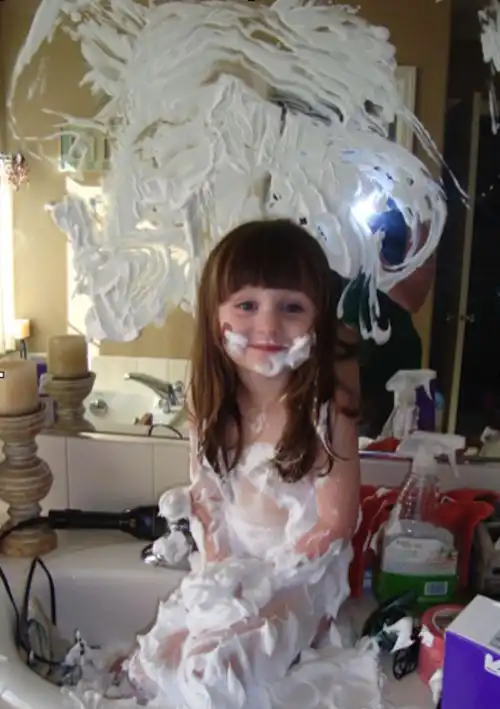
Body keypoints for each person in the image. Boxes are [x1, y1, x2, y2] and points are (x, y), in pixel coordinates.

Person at [125, 220, 366, 709]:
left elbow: (337, 522)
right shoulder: (209, 404)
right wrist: (221, 573)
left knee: (216, 672)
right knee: (154, 665)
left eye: (291, 307)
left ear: (318, 321)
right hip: (234, 569)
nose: (269, 327)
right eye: (247, 305)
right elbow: (207, 495)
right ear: (215, 317)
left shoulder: (326, 410)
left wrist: (263, 589)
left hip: (301, 579)